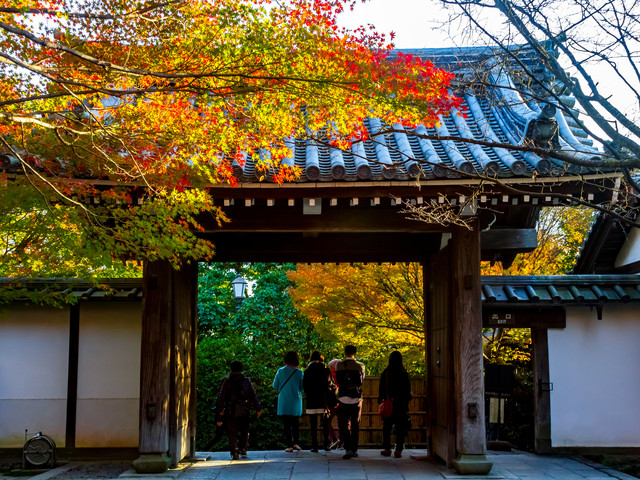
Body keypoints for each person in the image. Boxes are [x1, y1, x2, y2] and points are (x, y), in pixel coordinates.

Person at [216, 361, 262, 460]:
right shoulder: (246, 381)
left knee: (232, 431)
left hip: (230, 409)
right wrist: (258, 408)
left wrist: (220, 409)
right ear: (242, 369)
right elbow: (253, 395)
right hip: (244, 408)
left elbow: (222, 396)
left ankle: (234, 450)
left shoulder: (227, 381)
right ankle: (243, 448)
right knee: (244, 429)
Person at [378, 350, 412, 458]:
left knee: (386, 427)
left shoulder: (386, 373)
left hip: (389, 403)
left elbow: (382, 389)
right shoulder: (404, 373)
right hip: (401, 404)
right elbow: (407, 390)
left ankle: (387, 448)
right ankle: (398, 450)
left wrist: (380, 400)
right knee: (401, 427)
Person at [335, 345, 365, 459]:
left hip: (343, 397)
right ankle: (354, 449)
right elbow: (361, 381)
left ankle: (347, 448)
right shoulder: (360, 366)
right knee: (355, 424)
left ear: (345, 353)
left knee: (344, 424)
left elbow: (338, 380)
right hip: (356, 398)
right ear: (355, 353)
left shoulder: (339, 365)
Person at [273, 350, 304, 452]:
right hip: (296, 400)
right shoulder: (299, 372)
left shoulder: (280, 371)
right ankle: (296, 443)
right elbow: (302, 388)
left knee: (286, 424)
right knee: (295, 423)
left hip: (284, 401)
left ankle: (289, 445)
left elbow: (275, 386)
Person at [303, 351, 331, 452]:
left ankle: (314, 446)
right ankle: (326, 445)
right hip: (323, 400)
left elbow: (304, 387)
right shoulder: (326, 371)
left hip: (311, 399)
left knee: (313, 424)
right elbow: (329, 385)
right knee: (325, 423)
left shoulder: (307, 371)